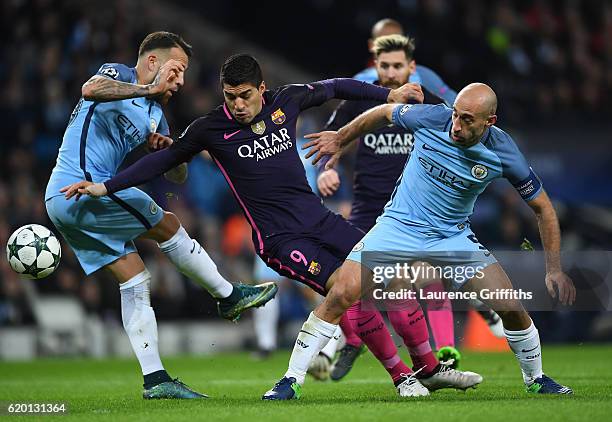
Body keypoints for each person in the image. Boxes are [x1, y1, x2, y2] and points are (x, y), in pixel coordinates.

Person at [61, 54, 482, 398]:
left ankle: (428, 369)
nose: (237, 105)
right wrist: (106, 186)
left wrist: (386, 93)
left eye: (244, 96)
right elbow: (163, 162)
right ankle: (401, 377)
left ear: (262, 90)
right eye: (230, 97)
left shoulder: (289, 100)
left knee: (391, 278)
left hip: (321, 220)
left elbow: (336, 85)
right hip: (281, 240)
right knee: (350, 290)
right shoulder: (211, 128)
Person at [273, 82, 576, 399]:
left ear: (490, 121)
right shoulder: (433, 118)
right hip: (397, 227)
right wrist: (342, 138)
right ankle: (290, 381)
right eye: (456, 115)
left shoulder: (504, 153)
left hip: (452, 236)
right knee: (342, 293)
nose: (456, 126)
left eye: (468, 120)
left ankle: (536, 379)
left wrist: (554, 269)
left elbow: (544, 209)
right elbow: (383, 111)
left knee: (510, 307)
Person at [45, 33, 278, 400]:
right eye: (177, 70)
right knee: (167, 223)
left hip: (73, 203)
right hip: (79, 187)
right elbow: (91, 89)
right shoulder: (118, 75)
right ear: (153, 63)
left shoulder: (155, 114)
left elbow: (176, 175)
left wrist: (170, 151)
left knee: (135, 278)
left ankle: (156, 380)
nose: (181, 81)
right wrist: (146, 88)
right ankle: (228, 294)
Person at [319, 33, 463, 381]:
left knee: (425, 278)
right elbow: (332, 139)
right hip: (368, 209)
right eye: (384, 66)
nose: (391, 72)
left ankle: (445, 352)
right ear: (375, 66)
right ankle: (353, 341)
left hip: (414, 212)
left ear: (412, 68)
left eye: (398, 66)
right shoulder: (361, 100)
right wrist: (328, 170)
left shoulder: (430, 105)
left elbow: (458, 145)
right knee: (346, 283)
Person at [354, 18, 457, 106]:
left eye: (396, 41)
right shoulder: (358, 82)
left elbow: (455, 104)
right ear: (371, 45)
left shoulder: (422, 75)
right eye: (384, 42)